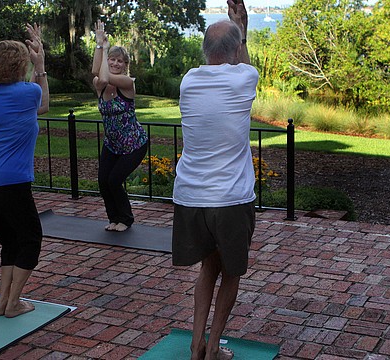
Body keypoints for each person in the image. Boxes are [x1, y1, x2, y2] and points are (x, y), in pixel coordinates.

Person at [171, 0, 257, 359]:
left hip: (190, 197)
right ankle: (212, 351)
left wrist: (237, 31)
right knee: (231, 273)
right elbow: (245, 65)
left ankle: (195, 347)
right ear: (236, 50)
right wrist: (243, 27)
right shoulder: (245, 77)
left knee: (208, 266)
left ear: (204, 51)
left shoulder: (189, 81)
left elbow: (232, 61)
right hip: (231, 198)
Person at [0, 24, 49, 318]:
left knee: (10, 241)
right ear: (21, 65)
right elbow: (44, 103)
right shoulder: (27, 92)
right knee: (30, 240)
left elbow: (33, 104)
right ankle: (13, 303)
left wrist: (35, 68)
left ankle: (3, 301)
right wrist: (41, 66)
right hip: (8, 182)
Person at [91, 19, 149, 232]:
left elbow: (104, 74)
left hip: (134, 143)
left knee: (114, 180)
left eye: (119, 61)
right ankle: (114, 219)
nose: (115, 63)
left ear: (125, 65)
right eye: (111, 60)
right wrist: (99, 44)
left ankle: (125, 219)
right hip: (112, 144)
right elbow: (98, 74)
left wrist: (105, 48)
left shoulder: (127, 82)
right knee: (103, 181)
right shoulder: (100, 86)